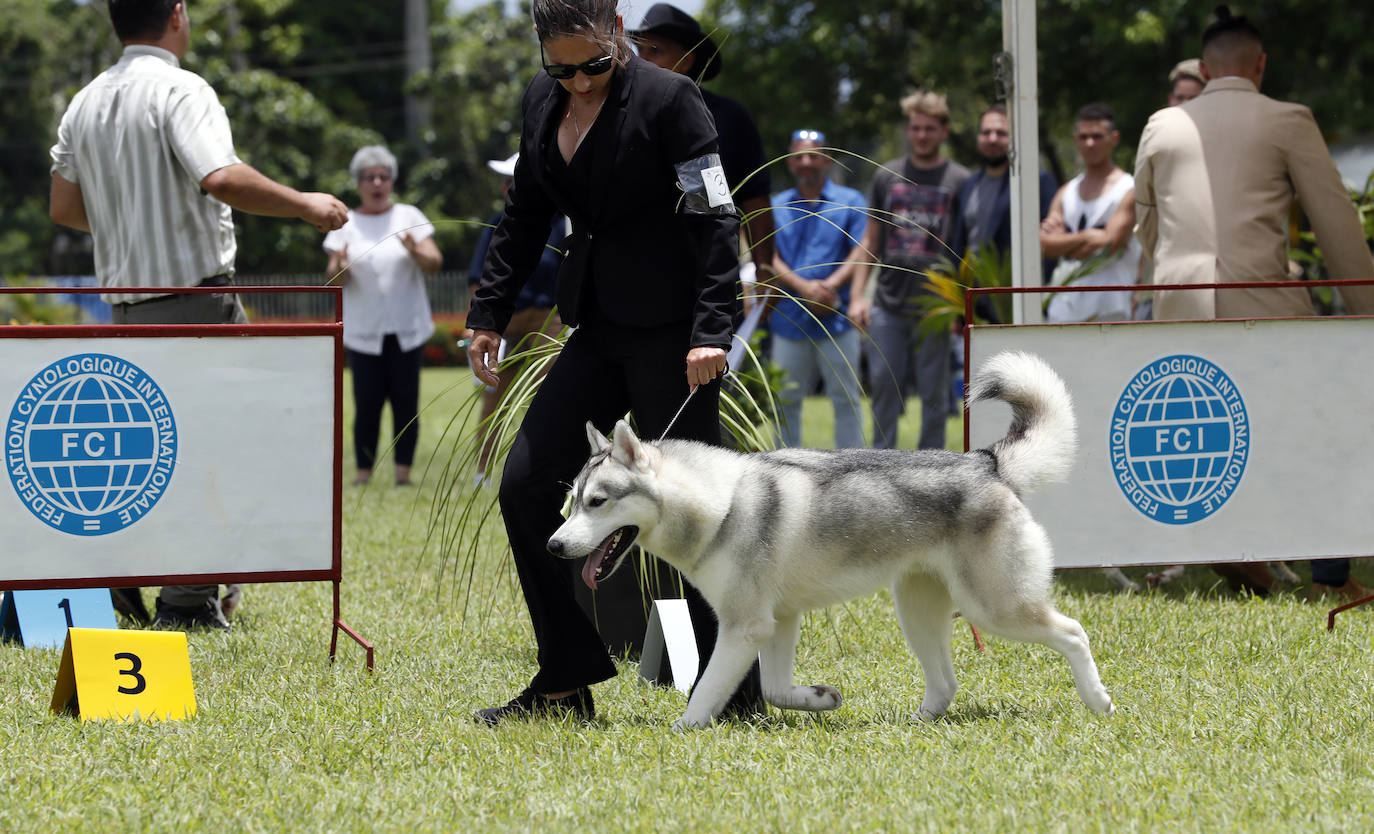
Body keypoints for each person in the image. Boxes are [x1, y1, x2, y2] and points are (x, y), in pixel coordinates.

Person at [464, 0, 753, 724]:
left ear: (618, 34)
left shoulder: (670, 99)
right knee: (527, 487)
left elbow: (715, 216)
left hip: (674, 338)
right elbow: (525, 214)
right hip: (594, 328)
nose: (579, 83)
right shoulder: (542, 100)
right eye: (559, 69)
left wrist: (712, 327)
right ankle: (564, 680)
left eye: (593, 65)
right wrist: (488, 312)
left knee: (693, 514)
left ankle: (728, 693)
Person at [48, 0, 348, 630]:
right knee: (214, 450)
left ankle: (121, 586)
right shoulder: (182, 90)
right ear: (177, 15)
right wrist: (304, 205)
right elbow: (219, 176)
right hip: (195, 301)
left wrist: (126, 214)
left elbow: (65, 208)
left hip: (126, 310)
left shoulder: (84, 102)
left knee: (142, 456)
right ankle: (187, 602)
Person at [1134, 5, 1374, 599]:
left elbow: (1147, 226)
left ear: (1205, 68)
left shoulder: (1161, 126)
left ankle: (1228, 546)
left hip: (1179, 305)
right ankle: (1329, 575)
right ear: (1260, 65)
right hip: (1261, 302)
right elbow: (1335, 219)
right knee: (1319, 424)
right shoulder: (1289, 119)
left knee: (1202, 430)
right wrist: (1363, 301)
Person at [628, 3, 775, 308]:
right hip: (633, 285)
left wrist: (765, 269)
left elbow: (751, 202)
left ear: (687, 61)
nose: (644, 61)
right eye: (640, 52)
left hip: (704, 289)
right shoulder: (622, 117)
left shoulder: (725, 119)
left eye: (656, 51)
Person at [850, 91, 970, 451]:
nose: (921, 135)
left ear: (944, 131)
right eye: (915, 128)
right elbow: (871, 239)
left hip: (934, 308)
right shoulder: (887, 176)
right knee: (885, 389)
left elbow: (964, 249)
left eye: (929, 128)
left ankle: (931, 470)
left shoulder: (960, 180)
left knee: (934, 395)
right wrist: (857, 296)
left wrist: (958, 307)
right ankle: (881, 469)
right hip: (887, 303)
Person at [323, 146, 441, 487]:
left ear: (392, 180)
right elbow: (332, 277)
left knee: (406, 402)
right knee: (367, 405)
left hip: (407, 328)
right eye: (369, 177)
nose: (377, 183)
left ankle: (402, 475)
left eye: (383, 176)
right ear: (358, 183)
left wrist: (415, 250)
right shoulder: (346, 222)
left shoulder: (408, 216)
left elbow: (434, 263)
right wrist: (339, 265)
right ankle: (363, 474)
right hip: (364, 331)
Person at [464, 152, 566, 485]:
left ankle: (546, 469)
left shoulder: (561, 223)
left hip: (548, 321)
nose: (507, 188)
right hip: (504, 322)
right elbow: (478, 280)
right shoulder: (494, 224)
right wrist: (476, 324)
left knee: (548, 398)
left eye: (514, 182)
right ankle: (483, 471)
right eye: (505, 183)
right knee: (495, 397)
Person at [768, 129, 868, 448]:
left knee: (846, 398)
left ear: (826, 158)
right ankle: (784, 466)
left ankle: (853, 469)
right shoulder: (776, 205)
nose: (806, 162)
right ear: (789, 162)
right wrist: (805, 288)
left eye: (813, 155)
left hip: (836, 317)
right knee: (785, 401)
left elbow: (862, 248)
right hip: (789, 319)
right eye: (798, 156)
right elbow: (768, 255)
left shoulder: (851, 201)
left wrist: (832, 285)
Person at [1041, 103, 1141, 324]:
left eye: (1097, 136)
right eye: (1084, 136)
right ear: (1076, 139)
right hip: (1063, 311)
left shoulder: (1129, 189)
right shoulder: (1066, 191)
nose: (1090, 143)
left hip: (1112, 311)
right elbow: (1045, 246)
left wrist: (1064, 243)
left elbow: (1108, 245)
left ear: (1114, 138)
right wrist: (1088, 236)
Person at [950, 104, 1059, 288]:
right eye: (986, 132)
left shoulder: (1037, 181)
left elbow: (1051, 240)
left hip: (1019, 295)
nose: (993, 139)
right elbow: (959, 244)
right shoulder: (969, 185)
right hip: (974, 297)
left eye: (1001, 133)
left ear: (1015, 138)